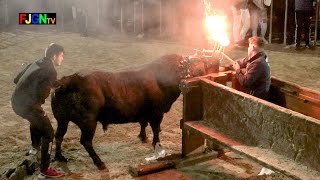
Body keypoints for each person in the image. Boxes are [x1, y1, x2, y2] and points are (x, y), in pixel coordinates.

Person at [11, 43, 65, 178]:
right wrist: (52, 85)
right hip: (27, 106)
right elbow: (42, 94)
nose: (62, 59)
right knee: (48, 133)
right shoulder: (51, 71)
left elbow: (16, 79)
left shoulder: (35, 62)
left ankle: (34, 149)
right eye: (61, 56)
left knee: (36, 121)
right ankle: (45, 170)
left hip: (15, 101)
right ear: (54, 56)